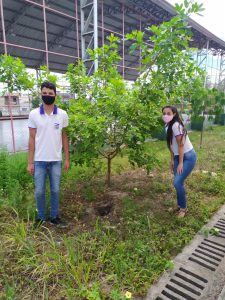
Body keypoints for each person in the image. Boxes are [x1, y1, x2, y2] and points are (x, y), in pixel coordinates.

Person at [27, 81, 70, 227]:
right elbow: (32, 139)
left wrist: (67, 159)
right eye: (44, 93)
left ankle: (54, 217)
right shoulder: (33, 114)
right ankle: (40, 218)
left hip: (56, 160)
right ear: (41, 94)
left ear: (55, 95)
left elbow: (65, 137)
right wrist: (30, 162)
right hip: (39, 161)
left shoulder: (62, 114)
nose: (47, 96)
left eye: (50, 94)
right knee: (39, 191)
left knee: (55, 190)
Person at [162, 105, 197, 218]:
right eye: (164, 113)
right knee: (178, 183)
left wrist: (181, 162)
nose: (166, 115)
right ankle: (180, 205)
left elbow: (181, 145)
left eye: (168, 113)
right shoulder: (167, 125)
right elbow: (171, 145)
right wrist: (172, 159)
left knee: (177, 182)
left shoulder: (176, 125)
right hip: (178, 156)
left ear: (174, 114)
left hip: (188, 157)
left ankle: (183, 209)